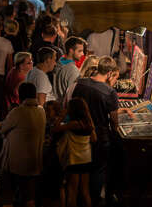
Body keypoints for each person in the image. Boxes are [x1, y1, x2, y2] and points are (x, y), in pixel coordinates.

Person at [71, 56, 119, 206]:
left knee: (82, 169)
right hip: (99, 136)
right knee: (98, 170)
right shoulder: (109, 92)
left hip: (79, 134)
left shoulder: (81, 83)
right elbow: (114, 119)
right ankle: (95, 199)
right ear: (110, 73)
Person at [0, 82, 46, 207]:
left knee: (7, 196)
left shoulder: (18, 112)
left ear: (21, 95)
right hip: (33, 164)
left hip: (14, 164)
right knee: (29, 197)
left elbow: (3, 129)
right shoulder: (42, 112)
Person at [56, 98, 96, 207]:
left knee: (72, 191)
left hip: (74, 159)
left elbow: (55, 129)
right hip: (86, 159)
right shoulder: (88, 123)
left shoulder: (73, 124)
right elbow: (94, 139)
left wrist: (61, 116)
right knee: (85, 191)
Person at [52, 36, 85, 101]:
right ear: (71, 51)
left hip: (56, 103)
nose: (82, 54)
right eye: (80, 51)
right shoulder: (73, 70)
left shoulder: (58, 62)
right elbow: (72, 94)